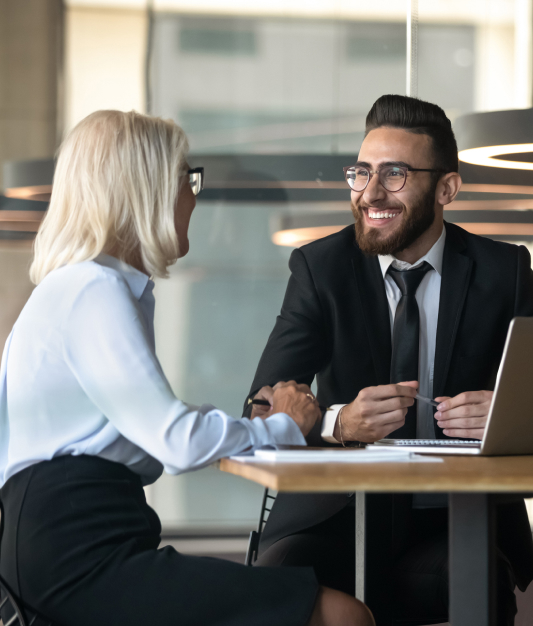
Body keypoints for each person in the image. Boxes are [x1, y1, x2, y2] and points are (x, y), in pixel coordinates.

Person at [0, 110, 374, 626]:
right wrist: (280, 426)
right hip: (80, 554)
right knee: (342, 616)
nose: (194, 196)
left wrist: (242, 427)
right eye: (186, 179)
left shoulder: (79, 289)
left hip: (59, 545)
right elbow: (176, 444)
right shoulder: (94, 289)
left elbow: (150, 449)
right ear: (146, 188)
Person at [245, 95, 533, 626]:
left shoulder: (507, 271)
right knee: (281, 580)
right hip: (334, 520)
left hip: (454, 521)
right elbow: (260, 406)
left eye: (395, 174)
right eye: (361, 172)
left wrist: (507, 416)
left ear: (446, 188)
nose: (371, 193)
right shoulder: (321, 268)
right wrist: (338, 423)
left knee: (481, 579)